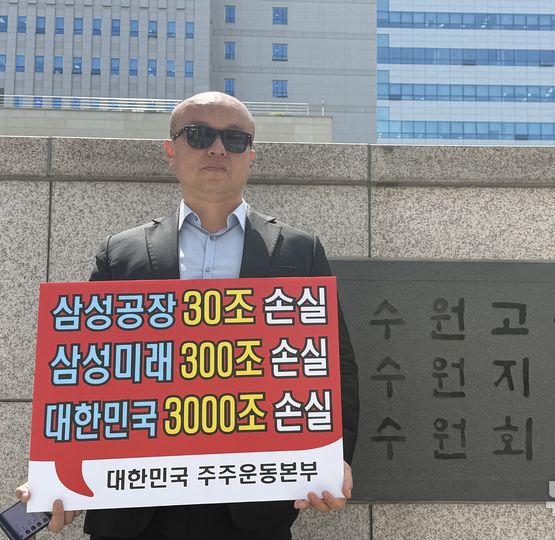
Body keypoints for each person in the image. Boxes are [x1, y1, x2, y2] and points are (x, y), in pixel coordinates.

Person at [15, 91, 359, 540]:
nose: (217, 149)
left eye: (234, 139)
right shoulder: (121, 253)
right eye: (198, 135)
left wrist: (333, 460)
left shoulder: (299, 249)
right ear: (171, 150)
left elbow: (335, 364)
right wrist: (59, 477)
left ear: (251, 155)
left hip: (254, 507)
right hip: (135, 512)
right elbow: (87, 373)